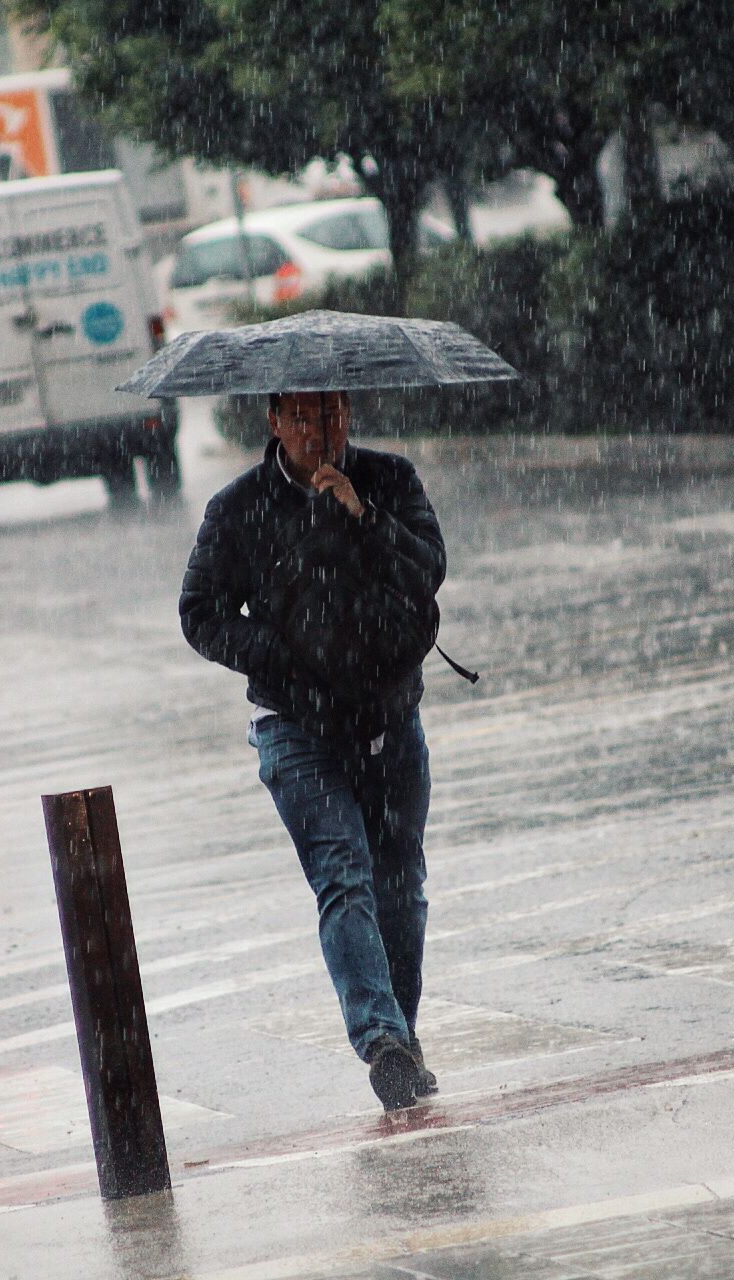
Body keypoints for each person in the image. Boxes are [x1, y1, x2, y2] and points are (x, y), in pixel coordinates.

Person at [180, 389, 446, 1111]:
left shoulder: (390, 480)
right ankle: (381, 1040)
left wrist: (365, 517)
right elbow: (199, 612)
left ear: (348, 413)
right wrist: (283, 657)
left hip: (389, 717)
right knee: (344, 877)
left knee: (401, 887)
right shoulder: (239, 510)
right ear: (272, 422)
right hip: (296, 727)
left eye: (327, 414)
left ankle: (401, 1037)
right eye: (298, 417)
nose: (314, 431)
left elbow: (428, 572)